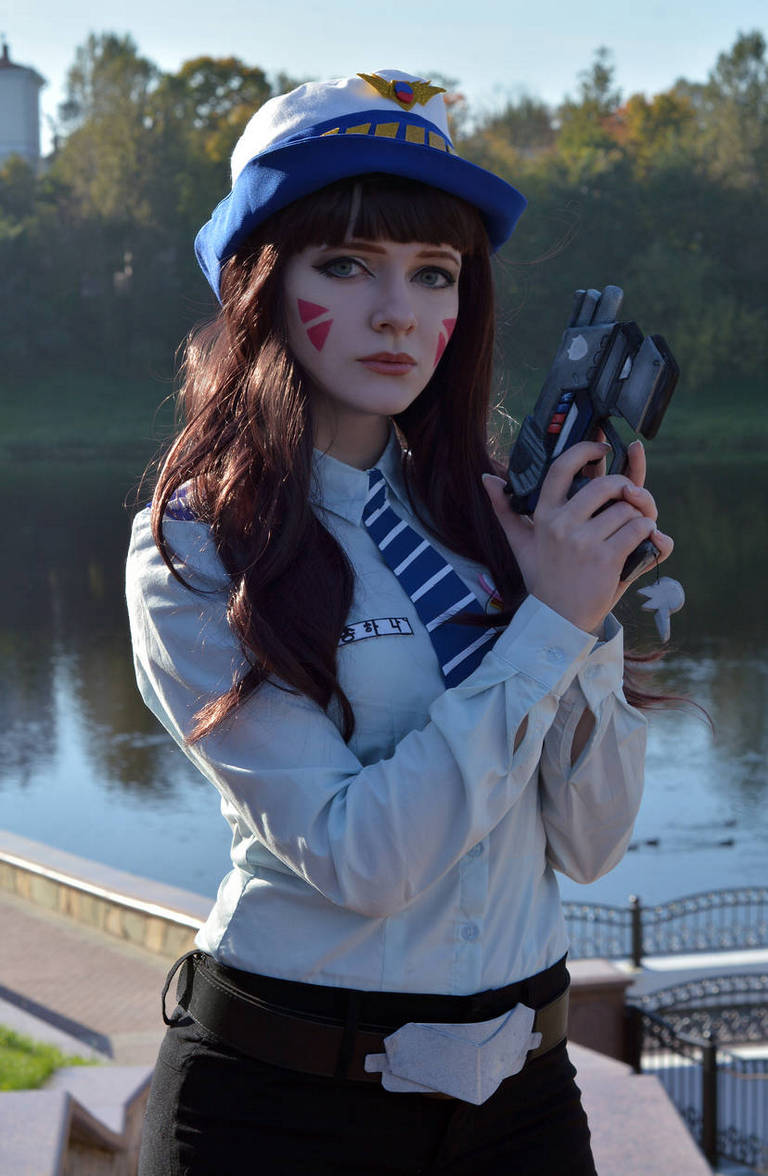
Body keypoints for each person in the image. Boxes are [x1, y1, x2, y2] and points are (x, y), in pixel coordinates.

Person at [126, 69, 673, 1176]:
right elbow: (366, 860)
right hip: (279, 1109)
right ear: (261, 282)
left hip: (524, 1102)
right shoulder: (197, 546)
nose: (398, 314)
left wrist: (585, 610)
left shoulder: (498, 522)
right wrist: (550, 626)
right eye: (346, 265)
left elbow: (593, 844)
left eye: (434, 273)